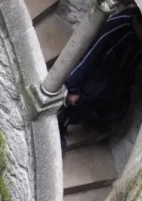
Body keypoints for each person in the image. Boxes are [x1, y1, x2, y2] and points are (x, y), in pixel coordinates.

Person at [58, 6, 142, 150]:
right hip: (95, 77)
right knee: (73, 108)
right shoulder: (117, 26)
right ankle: (59, 129)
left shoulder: (138, 41)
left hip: (114, 81)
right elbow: (90, 55)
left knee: (109, 111)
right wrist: (73, 88)